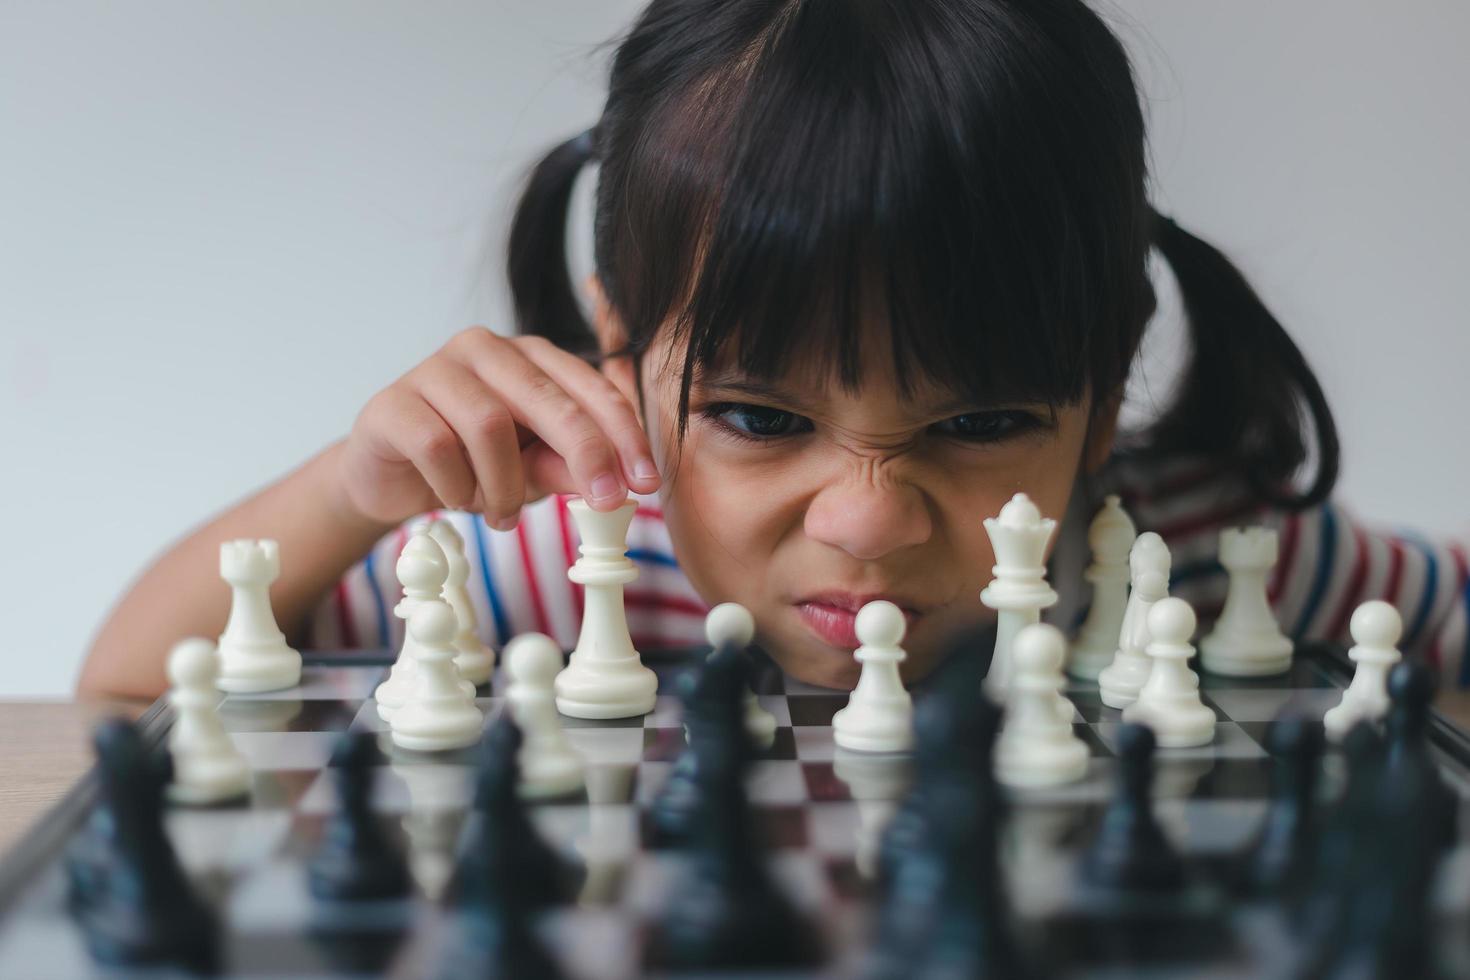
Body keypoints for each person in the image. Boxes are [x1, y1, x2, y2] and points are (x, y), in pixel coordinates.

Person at [79, 0, 1467, 700]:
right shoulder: (554, 572)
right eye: (755, 414)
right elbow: (132, 696)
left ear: (1101, 400)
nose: (865, 520)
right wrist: (345, 491)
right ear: (618, 354)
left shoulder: (1213, 554)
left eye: (977, 423)